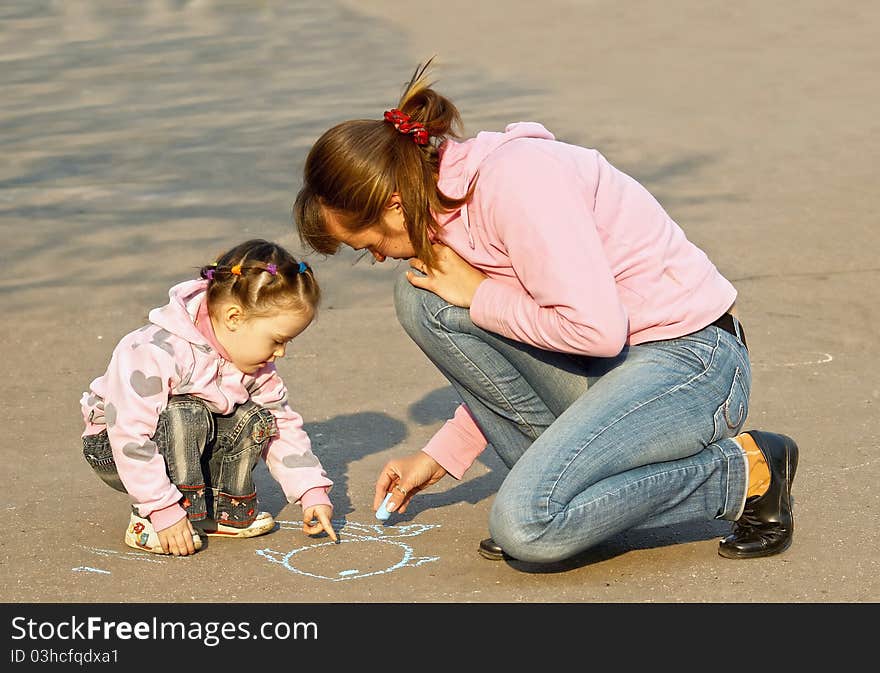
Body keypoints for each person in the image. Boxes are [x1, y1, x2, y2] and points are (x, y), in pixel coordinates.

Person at [293, 59, 798, 565]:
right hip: (612, 368)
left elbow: (594, 332)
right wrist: (440, 457)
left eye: (372, 242)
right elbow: (511, 364)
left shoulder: (516, 182)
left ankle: (746, 473)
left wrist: (480, 296)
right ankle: (577, 502)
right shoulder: (447, 212)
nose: (380, 255)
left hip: (691, 362)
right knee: (423, 298)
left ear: (396, 203)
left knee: (527, 526)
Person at [80, 239, 337, 556]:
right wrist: (161, 509)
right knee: (186, 413)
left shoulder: (256, 366)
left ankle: (218, 509)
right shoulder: (154, 351)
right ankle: (148, 520)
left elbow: (282, 425)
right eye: (277, 340)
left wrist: (311, 490)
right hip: (114, 447)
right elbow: (129, 436)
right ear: (234, 318)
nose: (280, 353)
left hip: (181, 437)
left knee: (257, 419)